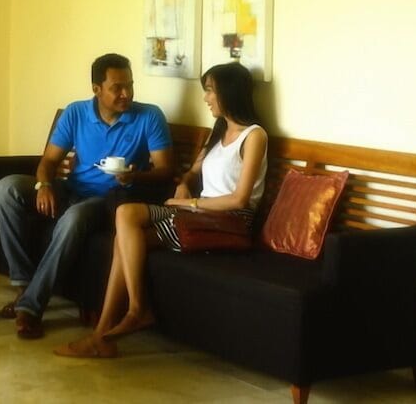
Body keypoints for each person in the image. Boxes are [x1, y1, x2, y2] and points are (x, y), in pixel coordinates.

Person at [54, 61, 267, 358]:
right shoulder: (218, 132)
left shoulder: (254, 136)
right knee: (125, 217)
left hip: (228, 220)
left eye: (210, 91)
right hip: (199, 214)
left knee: (124, 238)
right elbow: (193, 172)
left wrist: (189, 203)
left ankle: (110, 329)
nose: (205, 98)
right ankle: (127, 315)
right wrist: (185, 183)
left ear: (228, 93)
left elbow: (240, 200)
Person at [0, 53, 174, 340]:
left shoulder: (149, 116)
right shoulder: (76, 113)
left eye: (129, 85)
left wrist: (135, 176)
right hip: (71, 188)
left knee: (73, 218)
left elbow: (165, 171)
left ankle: (30, 307)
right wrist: (44, 185)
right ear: (96, 89)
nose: (126, 94)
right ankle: (23, 284)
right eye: (117, 87)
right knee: (7, 187)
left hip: (109, 200)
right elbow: (49, 161)